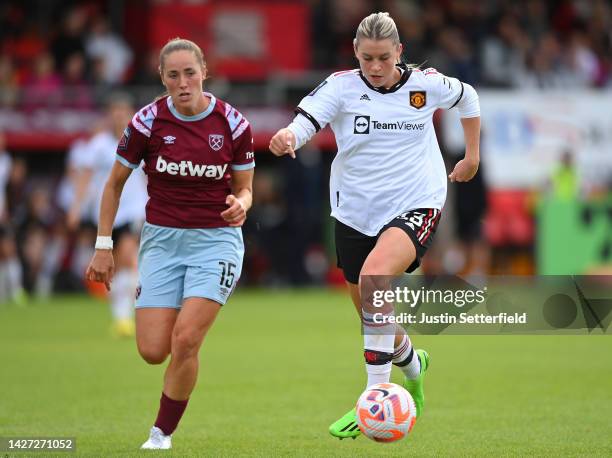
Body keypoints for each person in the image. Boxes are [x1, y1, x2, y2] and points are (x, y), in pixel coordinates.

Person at [270, 12, 480, 439]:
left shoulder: (426, 84)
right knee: (372, 311)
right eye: (367, 58)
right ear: (355, 53)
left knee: (374, 279)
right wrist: (290, 136)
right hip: (354, 210)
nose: (376, 67)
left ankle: (374, 397)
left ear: (400, 52)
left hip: (417, 201)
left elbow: (469, 97)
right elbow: (308, 119)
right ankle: (414, 366)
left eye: (384, 57)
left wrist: (472, 155)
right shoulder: (341, 86)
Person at [85, 38, 255, 450]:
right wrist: (103, 244)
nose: (183, 82)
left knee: (186, 341)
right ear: (162, 78)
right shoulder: (146, 123)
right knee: (152, 350)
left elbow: (246, 190)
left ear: (204, 73)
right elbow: (112, 186)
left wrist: (241, 204)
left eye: (190, 73)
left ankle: (161, 434)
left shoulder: (233, 124)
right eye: (173, 75)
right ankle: (183, 346)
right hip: (161, 242)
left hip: (216, 242)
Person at [68, 94, 148, 336]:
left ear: (130, 113)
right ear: (109, 114)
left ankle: (132, 315)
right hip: (107, 213)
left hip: (134, 209)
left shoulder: (141, 140)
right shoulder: (99, 145)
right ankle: (122, 318)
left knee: (128, 257)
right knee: (111, 266)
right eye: (115, 110)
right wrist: (76, 207)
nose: (119, 115)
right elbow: (85, 177)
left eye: (123, 111)